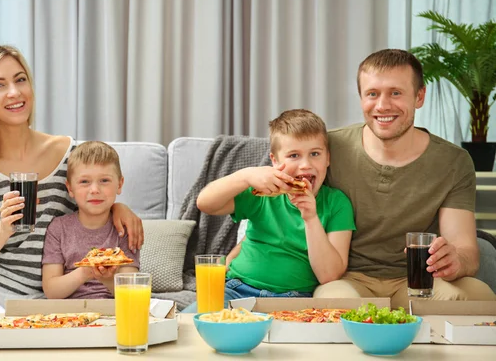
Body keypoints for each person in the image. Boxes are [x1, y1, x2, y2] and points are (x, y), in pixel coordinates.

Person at [0, 45, 144, 313]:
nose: (15, 92)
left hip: (46, 297)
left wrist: (118, 207)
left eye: (20, 79)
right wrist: (3, 229)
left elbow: (91, 195)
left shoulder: (68, 153)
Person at [313, 49, 496, 307]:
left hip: (418, 281)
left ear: (419, 97)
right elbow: (282, 192)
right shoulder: (328, 148)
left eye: (396, 93)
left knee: (480, 298)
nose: (383, 105)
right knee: (335, 303)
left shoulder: (453, 161)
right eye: (372, 94)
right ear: (361, 98)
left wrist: (456, 260)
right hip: (347, 279)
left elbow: (466, 250)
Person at [185, 109, 356, 311]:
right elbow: (205, 203)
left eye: (315, 154)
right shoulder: (263, 193)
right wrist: (246, 176)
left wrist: (311, 218)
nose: (305, 165)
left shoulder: (337, 203)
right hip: (236, 289)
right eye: (294, 155)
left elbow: (329, 275)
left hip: (295, 299)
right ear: (274, 161)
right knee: (192, 324)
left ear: (327, 158)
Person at [42, 141, 139, 299]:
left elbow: (132, 293)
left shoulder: (124, 228)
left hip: (114, 309)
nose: (94, 190)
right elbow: (52, 291)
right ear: (70, 189)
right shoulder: (58, 228)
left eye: (104, 181)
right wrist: (85, 271)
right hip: (69, 314)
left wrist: (106, 278)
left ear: (120, 184)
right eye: (84, 182)